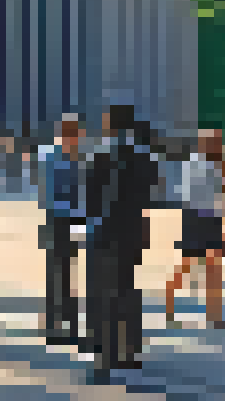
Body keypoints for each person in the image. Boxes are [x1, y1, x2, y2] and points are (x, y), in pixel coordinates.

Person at [86, 104, 155, 383]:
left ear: (110, 124)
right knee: (127, 289)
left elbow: (90, 198)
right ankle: (130, 353)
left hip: (105, 233)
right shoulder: (143, 157)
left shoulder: (100, 156)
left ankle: (104, 358)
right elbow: (149, 197)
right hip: (132, 233)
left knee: (103, 296)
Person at [163, 128, 225, 329]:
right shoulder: (196, 165)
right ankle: (170, 308)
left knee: (212, 269)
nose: (218, 146)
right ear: (205, 143)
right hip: (197, 218)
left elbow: (219, 198)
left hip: (207, 219)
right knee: (188, 266)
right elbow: (204, 197)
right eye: (215, 142)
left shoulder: (210, 165)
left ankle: (214, 313)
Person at [39, 116, 87, 347]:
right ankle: (55, 327)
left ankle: (66, 325)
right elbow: (50, 193)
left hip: (70, 220)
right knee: (57, 274)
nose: (79, 138)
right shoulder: (53, 156)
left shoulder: (76, 157)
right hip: (58, 220)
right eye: (76, 133)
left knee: (67, 274)